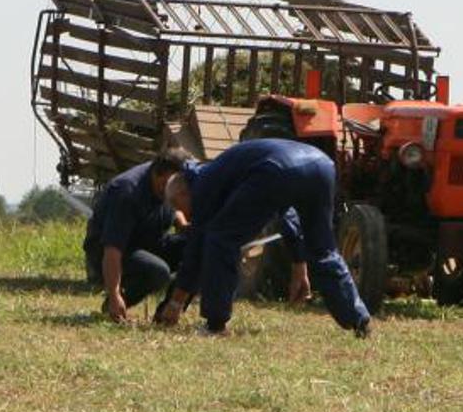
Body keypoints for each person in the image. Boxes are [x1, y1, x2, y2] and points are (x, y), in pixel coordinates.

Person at [156, 138, 371, 338]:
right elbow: (286, 213)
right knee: (323, 249)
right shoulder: (221, 173)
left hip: (276, 170)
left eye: (178, 207)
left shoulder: (202, 184)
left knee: (220, 239)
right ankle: (359, 320)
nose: (184, 215)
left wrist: (175, 303)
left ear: (183, 193)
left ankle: (215, 325)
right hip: (321, 165)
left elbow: (197, 250)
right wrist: (299, 264)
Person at [83, 148, 191, 322]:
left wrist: (183, 224)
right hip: (111, 252)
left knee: (200, 247)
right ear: (160, 177)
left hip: (149, 241)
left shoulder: (171, 183)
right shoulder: (127, 191)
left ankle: (167, 312)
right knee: (158, 271)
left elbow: (173, 205)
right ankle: (117, 306)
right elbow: (112, 250)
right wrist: (114, 294)